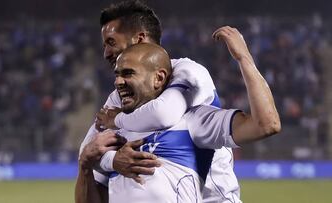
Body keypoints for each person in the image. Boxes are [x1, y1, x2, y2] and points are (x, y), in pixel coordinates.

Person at [77, 31, 280, 202]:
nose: (118, 82)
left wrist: (244, 59)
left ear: (159, 78)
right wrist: (85, 167)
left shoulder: (192, 121)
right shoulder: (113, 139)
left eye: (128, 73)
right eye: (117, 74)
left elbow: (266, 124)